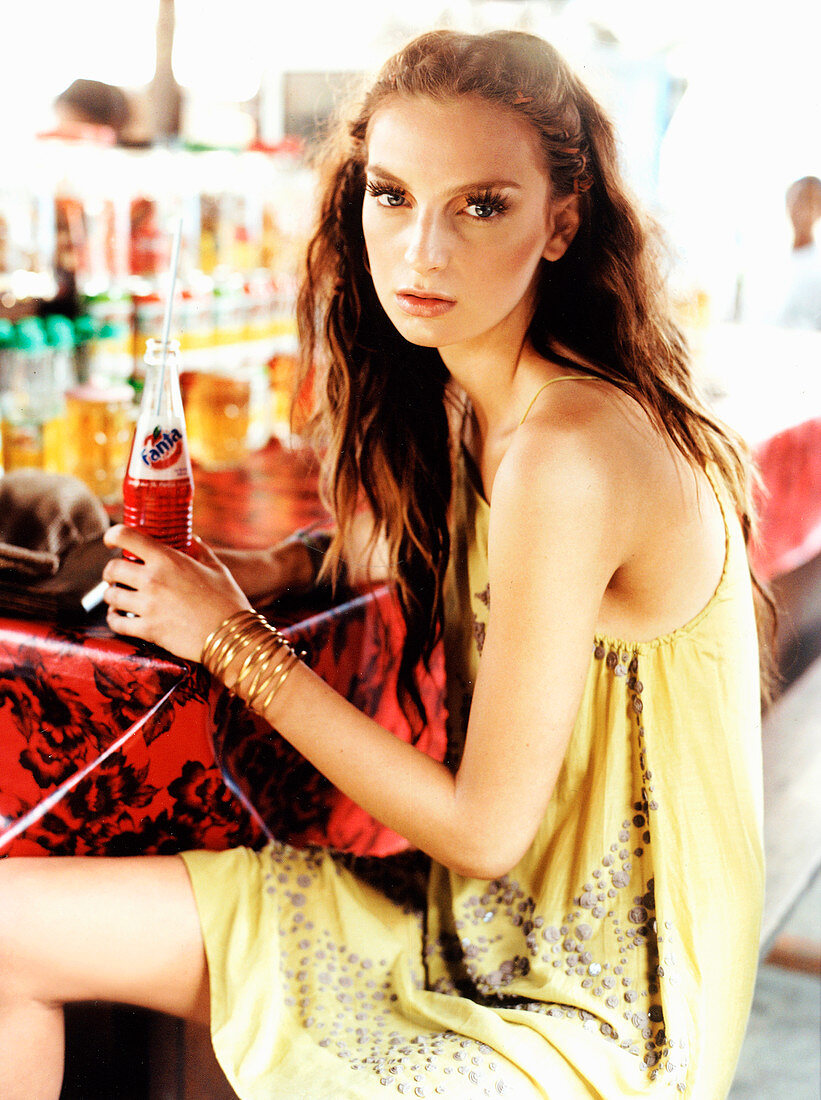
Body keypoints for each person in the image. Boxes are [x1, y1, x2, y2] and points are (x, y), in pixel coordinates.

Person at [0, 29, 769, 1099]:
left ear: (562, 222)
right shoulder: (486, 396)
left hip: (587, 995)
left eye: (481, 204)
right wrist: (284, 562)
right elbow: (448, 551)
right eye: (393, 195)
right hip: (464, 924)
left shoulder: (568, 447)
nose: (420, 251)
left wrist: (227, 636)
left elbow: (483, 829)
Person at [777, 175, 821, 329]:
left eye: (808, 200)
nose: (800, 208)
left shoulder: (817, 267)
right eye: (795, 198)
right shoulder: (770, 261)